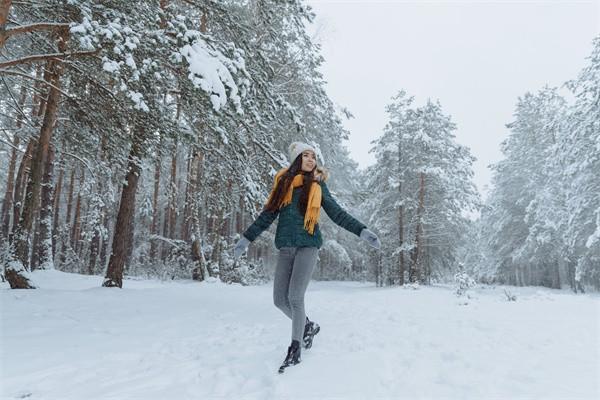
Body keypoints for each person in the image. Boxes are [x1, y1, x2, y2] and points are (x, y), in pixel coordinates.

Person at [233, 141, 381, 373]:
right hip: (286, 247)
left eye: (314, 156)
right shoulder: (283, 184)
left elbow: (337, 213)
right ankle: (307, 326)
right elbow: (266, 216)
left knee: (294, 297)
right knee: (279, 300)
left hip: (308, 246)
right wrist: (246, 238)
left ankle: (295, 347)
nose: (311, 160)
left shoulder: (318, 186)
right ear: (296, 159)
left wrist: (362, 230)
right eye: (306, 155)